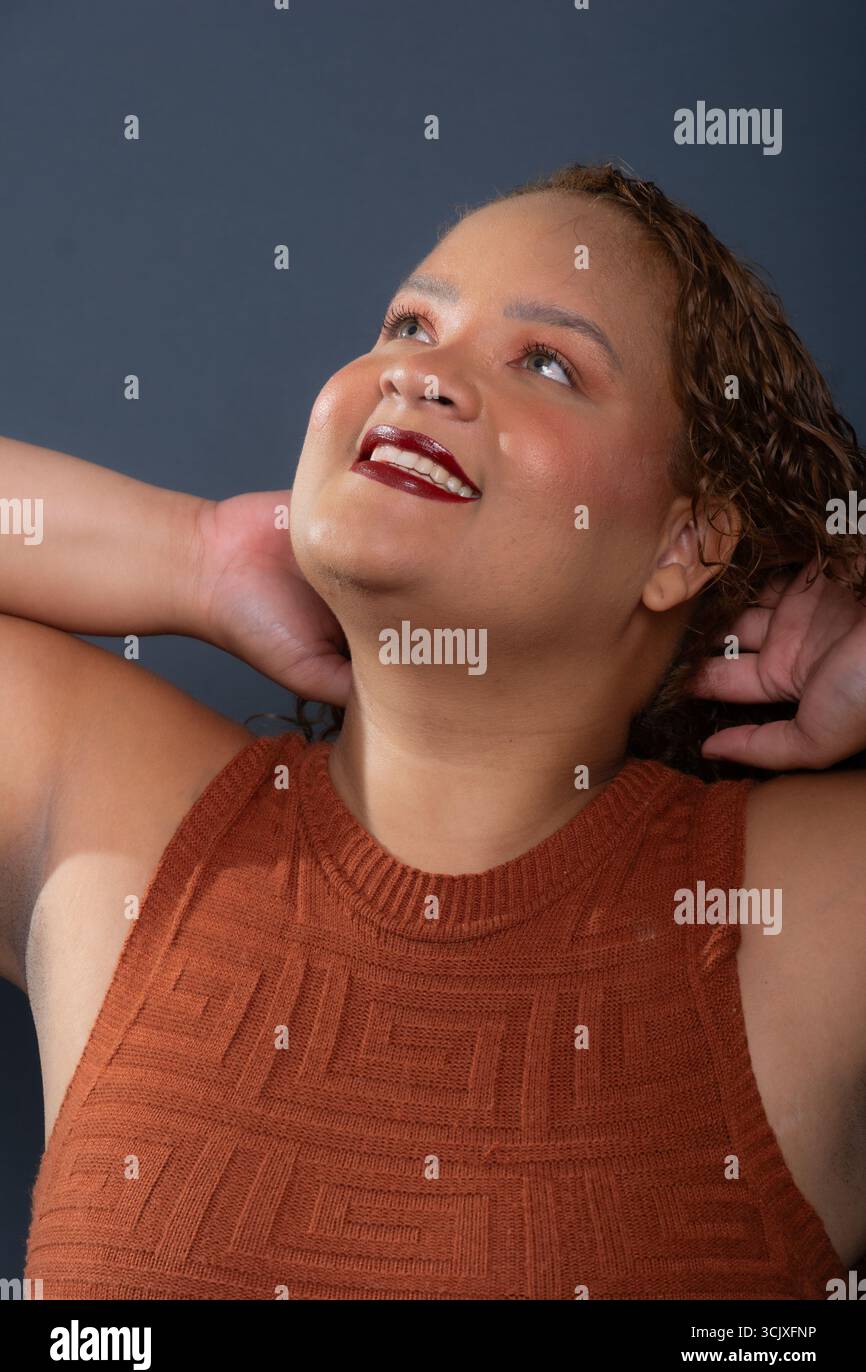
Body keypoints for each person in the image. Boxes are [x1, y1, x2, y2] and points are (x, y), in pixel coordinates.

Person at [3, 162, 865, 1301]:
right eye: (410, 321)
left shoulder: (801, 903)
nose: (418, 370)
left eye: (546, 361)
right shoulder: (110, 795)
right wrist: (196, 553)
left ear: (683, 543)